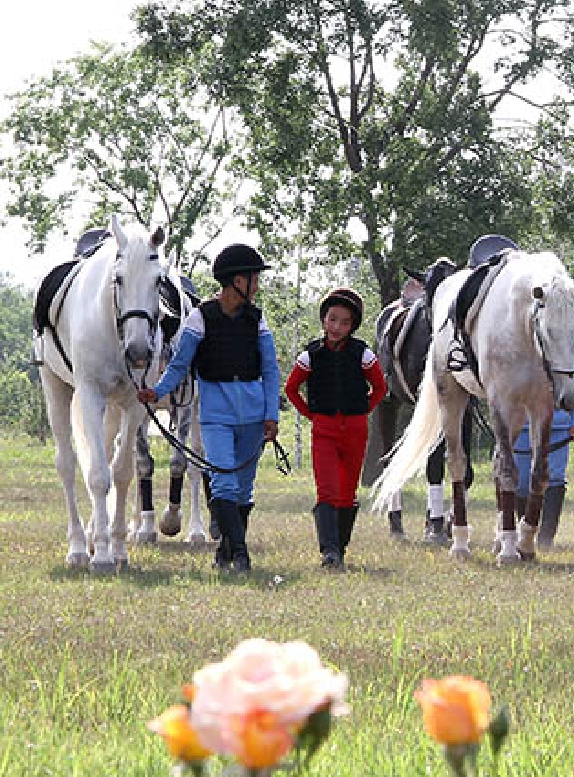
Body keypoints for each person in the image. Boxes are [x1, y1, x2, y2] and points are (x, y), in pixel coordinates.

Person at [137, 244, 280, 572]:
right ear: (236, 281)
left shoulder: (257, 319)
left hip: (254, 414)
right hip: (216, 415)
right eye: (253, 279)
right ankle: (241, 555)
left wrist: (271, 415)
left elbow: (271, 370)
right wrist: (157, 392)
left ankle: (224, 553)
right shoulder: (200, 318)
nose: (257, 286)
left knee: (243, 489)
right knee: (224, 483)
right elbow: (180, 365)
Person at [284, 288, 388, 570]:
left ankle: (340, 547)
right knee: (326, 488)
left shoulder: (363, 353)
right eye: (332, 319)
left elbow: (380, 387)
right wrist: (311, 415)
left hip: (355, 429)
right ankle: (328, 551)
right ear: (323, 319)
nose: (337, 327)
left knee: (347, 490)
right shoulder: (311, 355)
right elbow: (291, 388)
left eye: (344, 322)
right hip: (324, 430)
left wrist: (362, 410)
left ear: (353, 326)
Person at [511, 406, 574, 550]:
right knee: (521, 483)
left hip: (557, 426)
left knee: (555, 479)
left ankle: (546, 537)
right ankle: (525, 532)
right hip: (520, 426)